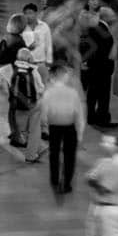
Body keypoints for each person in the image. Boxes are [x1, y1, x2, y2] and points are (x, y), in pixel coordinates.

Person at [37, 57, 85, 193]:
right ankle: (67, 182)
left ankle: (54, 178)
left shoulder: (49, 92)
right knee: (69, 156)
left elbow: (44, 111)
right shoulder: (72, 92)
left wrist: (44, 126)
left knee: (54, 153)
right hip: (70, 125)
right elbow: (79, 113)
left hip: (54, 126)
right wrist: (80, 133)